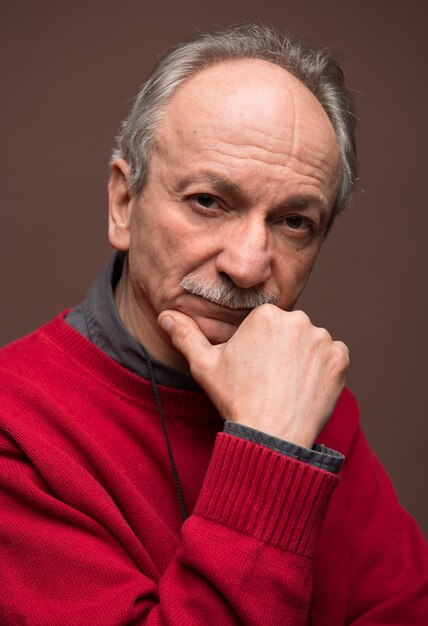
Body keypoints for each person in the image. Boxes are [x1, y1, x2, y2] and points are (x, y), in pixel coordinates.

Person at [0, 24, 426, 625]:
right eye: (208, 202)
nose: (248, 264)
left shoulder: (303, 393)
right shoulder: (15, 430)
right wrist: (268, 449)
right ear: (124, 204)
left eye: (294, 221)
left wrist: (277, 425)